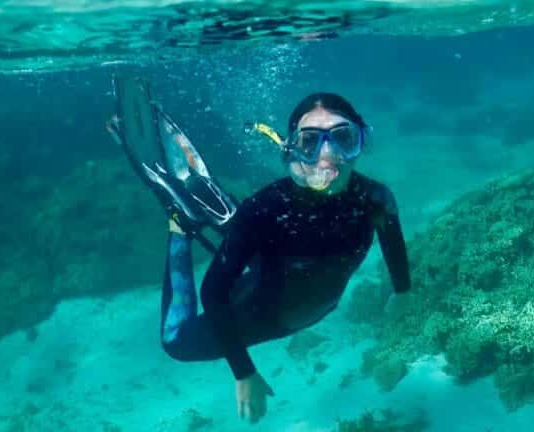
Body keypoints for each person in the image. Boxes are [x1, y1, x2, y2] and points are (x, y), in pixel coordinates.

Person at [108, 78, 411, 424]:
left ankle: (223, 216)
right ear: (292, 150)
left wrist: (403, 291)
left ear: (361, 141)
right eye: (310, 142)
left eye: (343, 138)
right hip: (265, 308)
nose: (327, 156)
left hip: (286, 270)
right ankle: (180, 229)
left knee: (256, 237)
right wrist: (244, 373)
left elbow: (393, 243)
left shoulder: (377, 199)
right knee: (176, 342)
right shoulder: (265, 208)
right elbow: (213, 292)